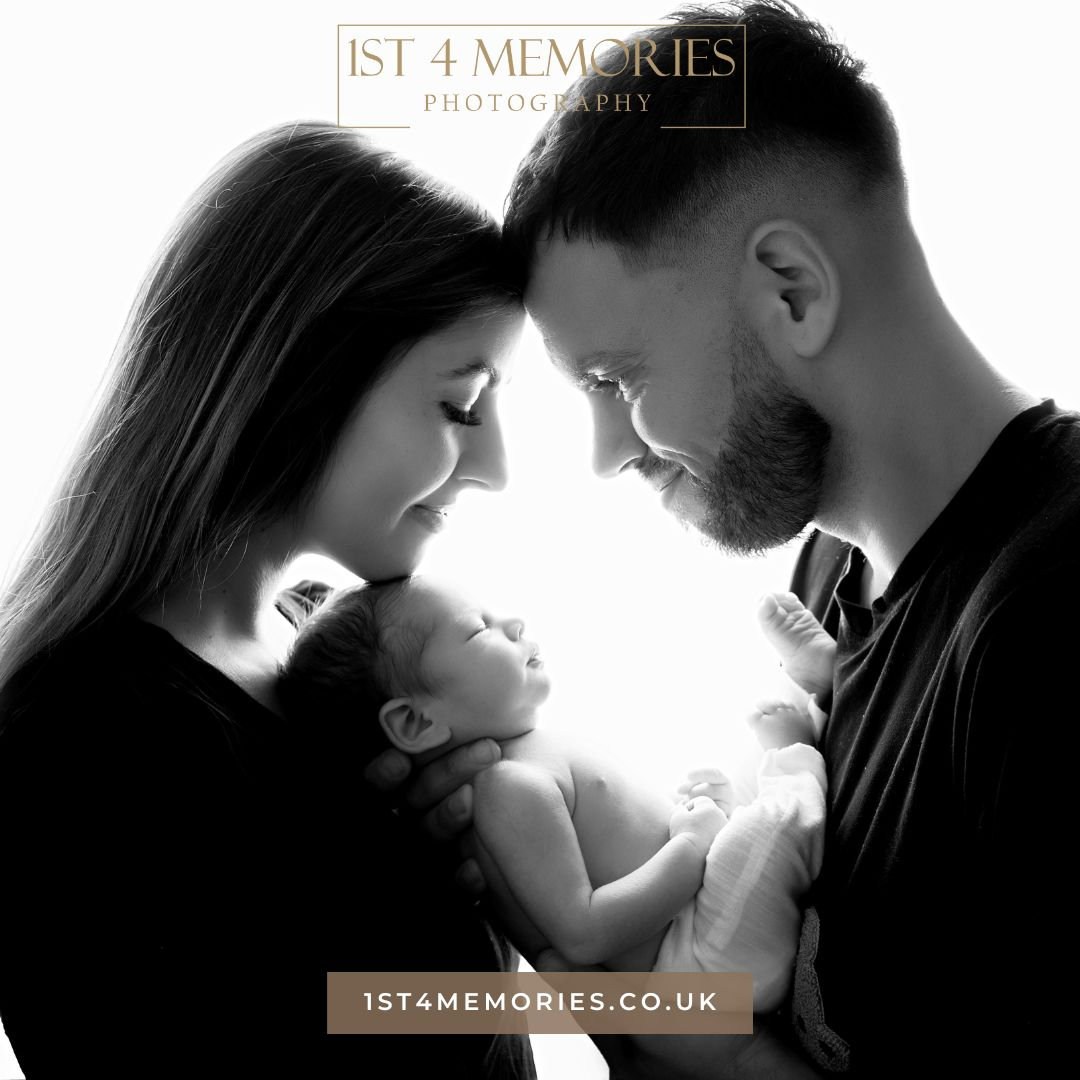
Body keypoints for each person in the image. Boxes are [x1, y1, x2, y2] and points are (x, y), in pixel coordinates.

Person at [478, 1, 1074, 1075]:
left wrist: (676, 1051)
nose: (606, 455)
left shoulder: (1058, 614)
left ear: (791, 291)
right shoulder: (830, 573)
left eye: (616, 379)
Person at [0, 120, 534, 1078]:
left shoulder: (328, 652)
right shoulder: (78, 737)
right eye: (461, 405)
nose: (495, 467)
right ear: (301, 378)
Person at [279, 576, 831, 1023]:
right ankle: (801, 742)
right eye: (478, 630)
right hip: (703, 965)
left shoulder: (528, 756)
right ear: (416, 722)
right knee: (772, 821)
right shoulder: (506, 786)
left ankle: (811, 698)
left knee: (744, 786)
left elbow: (618, 843)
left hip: (702, 923)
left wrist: (688, 811)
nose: (513, 622)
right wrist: (690, 845)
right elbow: (584, 933)